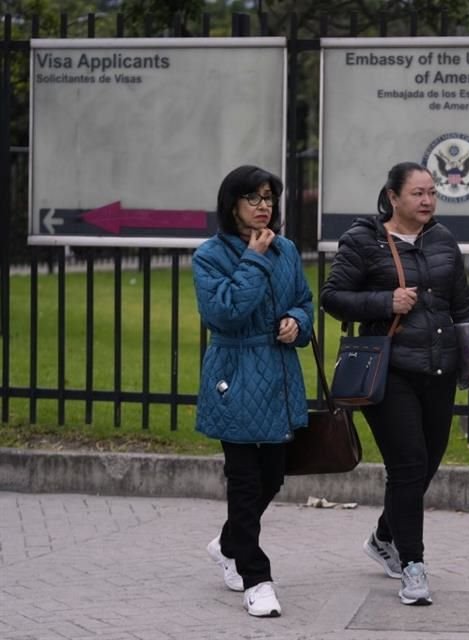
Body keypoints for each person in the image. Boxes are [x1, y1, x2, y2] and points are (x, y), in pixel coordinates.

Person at [320, 162, 469, 605]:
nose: (428, 201)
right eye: (418, 193)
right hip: (390, 370)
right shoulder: (363, 240)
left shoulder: (443, 240)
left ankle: (382, 538)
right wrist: (385, 300)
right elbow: (332, 298)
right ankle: (413, 565)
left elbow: (463, 308)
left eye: (432, 192)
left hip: (439, 371)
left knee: (426, 465)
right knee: (409, 466)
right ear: (393, 197)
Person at [193, 165, 314, 617]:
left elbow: (303, 301)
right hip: (235, 376)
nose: (264, 206)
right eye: (254, 198)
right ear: (232, 205)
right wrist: (254, 259)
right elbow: (224, 314)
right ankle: (256, 577)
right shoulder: (209, 255)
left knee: (273, 476)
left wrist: (297, 323)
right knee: (244, 482)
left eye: (268, 198)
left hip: (279, 377)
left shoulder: (286, 250)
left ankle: (228, 543)